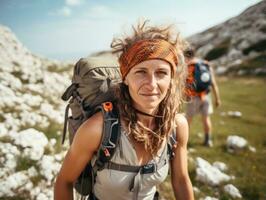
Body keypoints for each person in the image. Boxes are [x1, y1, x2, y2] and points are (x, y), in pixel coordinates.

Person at [54, 20, 194, 200]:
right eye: (141, 72)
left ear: (171, 79)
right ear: (125, 78)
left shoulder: (177, 126)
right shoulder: (98, 129)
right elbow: (64, 181)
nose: (151, 84)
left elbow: (181, 180)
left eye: (161, 73)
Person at [184, 46, 221, 147]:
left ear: (185, 56)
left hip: (193, 97)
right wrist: (217, 98)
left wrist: (184, 95)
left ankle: (183, 141)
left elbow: (185, 83)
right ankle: (208, 140)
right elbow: (213, 83)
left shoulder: (188, 66)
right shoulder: (206, 64)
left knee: (188, 120)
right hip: (206, 96)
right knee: (206, 119)